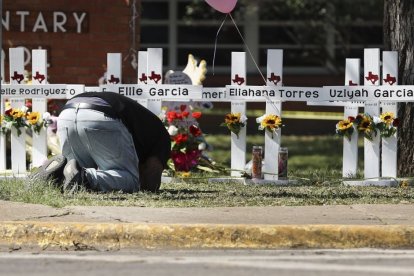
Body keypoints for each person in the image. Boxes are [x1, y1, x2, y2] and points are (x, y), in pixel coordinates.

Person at [32, 92, 171, 194]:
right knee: (131, 181)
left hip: (67, 113)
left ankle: (54, 177)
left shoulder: (149, 128)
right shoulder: (162, 140)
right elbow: (149, 184)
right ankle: (85, 177)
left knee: (73, 170)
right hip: (102, 116)